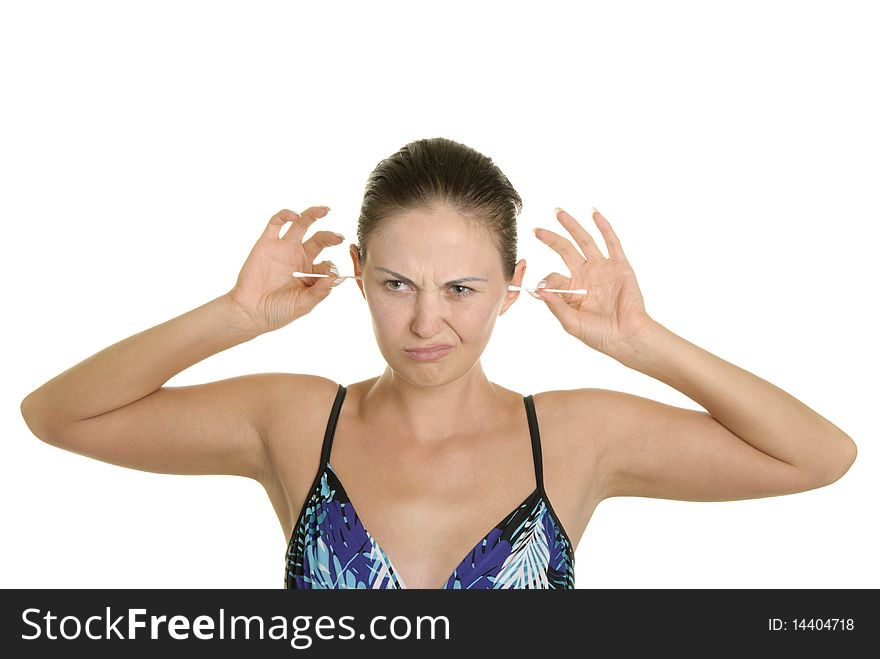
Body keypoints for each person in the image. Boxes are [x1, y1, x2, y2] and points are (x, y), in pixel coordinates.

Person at [19, 137, 857, 590]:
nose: (427, 320)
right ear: (355, 270)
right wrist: (234, 315)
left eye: (461, 287)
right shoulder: (300, 420)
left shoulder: (573, 435)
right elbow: (57, 415)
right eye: (395, 282)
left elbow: (820, 457)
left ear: (512, 286)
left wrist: (644, 343)